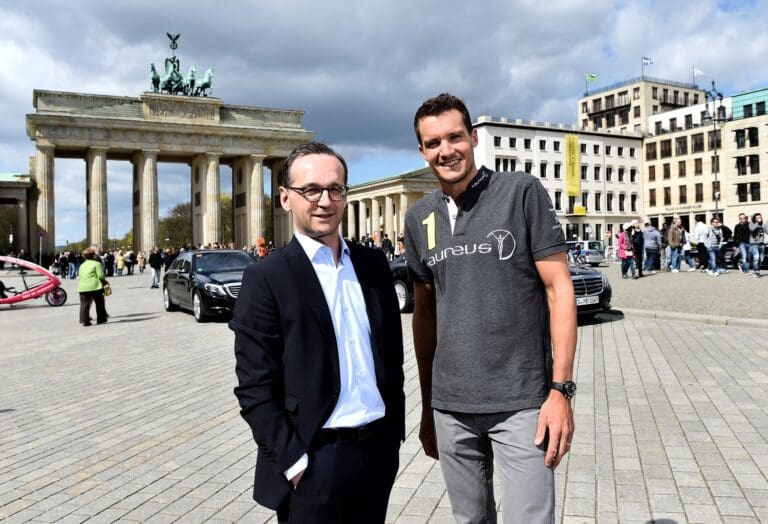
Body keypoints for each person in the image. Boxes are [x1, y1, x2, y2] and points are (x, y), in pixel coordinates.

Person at [404, 93, 575, 523]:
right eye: (434, 143)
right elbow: (425, 317)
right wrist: (427, 407)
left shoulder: (520, 192)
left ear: (473, 138)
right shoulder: (418, 218)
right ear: (422, 151)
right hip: (451, 409)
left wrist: (561, 392)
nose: (447, 150)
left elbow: (559, 291)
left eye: (455, 137)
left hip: (521, 403)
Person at [231, 142, 405, 523]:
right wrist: (293, 461)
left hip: (376, 452)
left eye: (336, 189)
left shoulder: (373, 264)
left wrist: (393, 435)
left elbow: (391, 355)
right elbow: (255, 386)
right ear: (285, 198)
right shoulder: (266, 277)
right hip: (314, 458)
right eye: (311, 190)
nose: (325, 200)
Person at [76, 247, 108, 326]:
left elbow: (80, 275)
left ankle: (85, 321)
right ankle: (101, 319)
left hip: (82, 287)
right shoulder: (97, 264)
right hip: (95, 286)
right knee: (99, 303)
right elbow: (101, 276)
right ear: (93, 255)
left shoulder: (82, 265)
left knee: (84, 304)